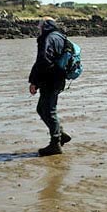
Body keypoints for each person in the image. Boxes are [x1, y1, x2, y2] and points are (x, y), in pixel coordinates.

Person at [29, 17, 72, 156]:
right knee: (42, 109)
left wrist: (34, 81)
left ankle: (55, 144)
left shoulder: (47, 38)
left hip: (50, 80)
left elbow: (42, 60)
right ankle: (59, 134)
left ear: (45, 25)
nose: (38, 27)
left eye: (39, 25)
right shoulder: (61, 36)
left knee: (48, 110)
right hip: (59, 79)